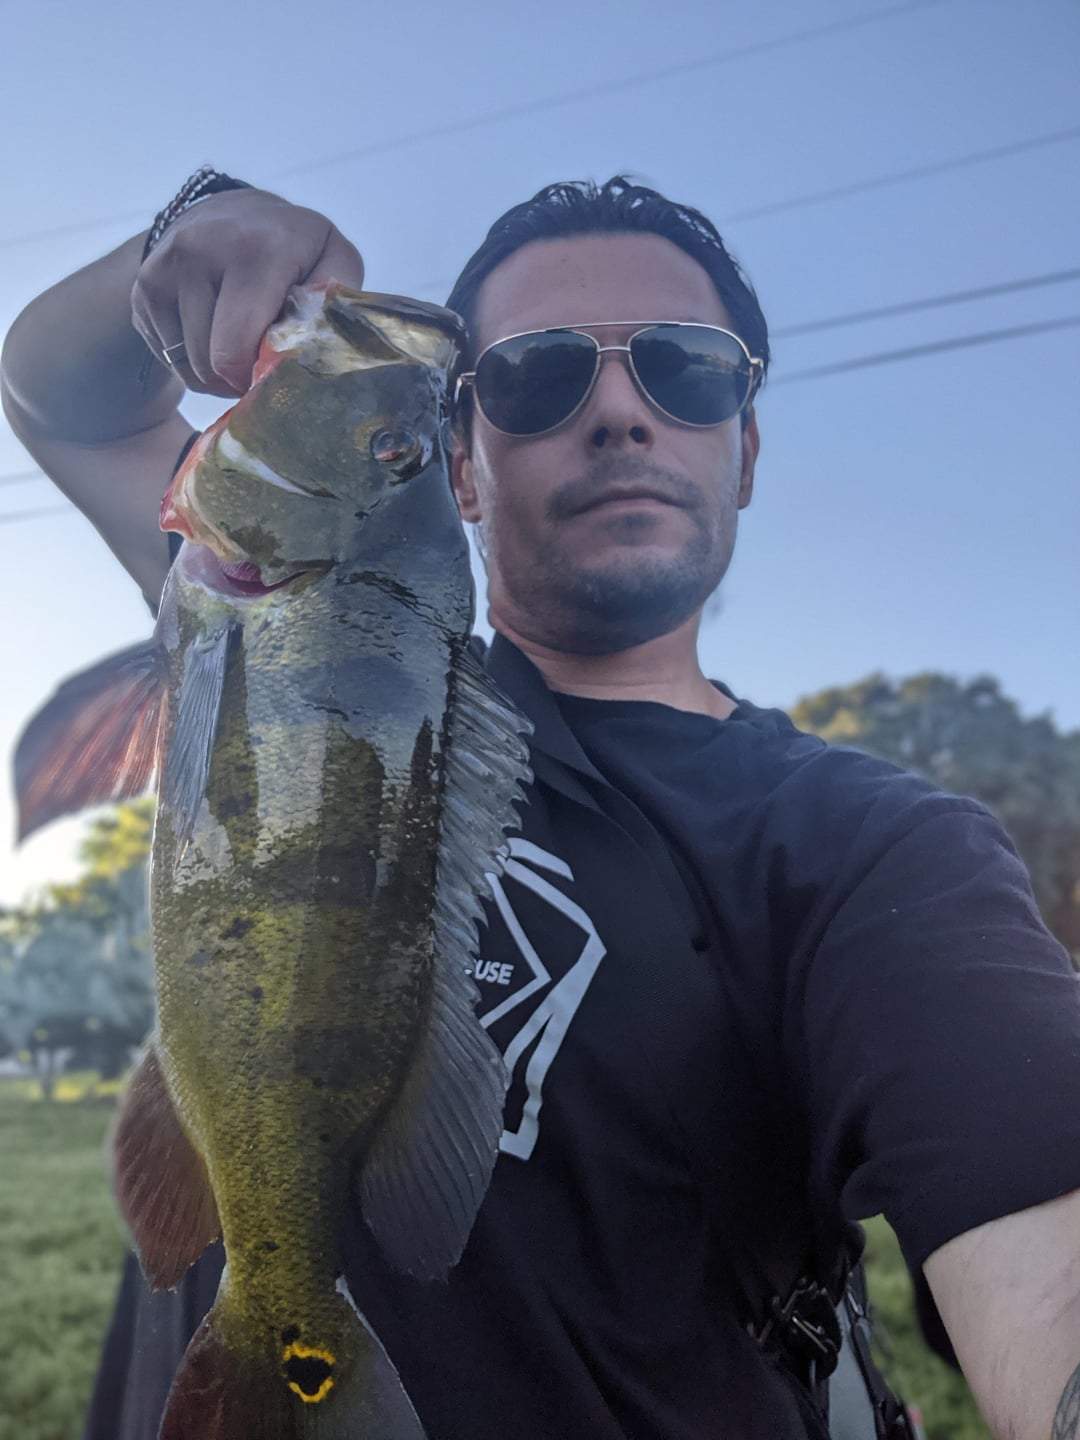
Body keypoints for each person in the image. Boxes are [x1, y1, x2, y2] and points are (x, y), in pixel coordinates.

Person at [4, 172, 1080, 1440]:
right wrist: (186, 232)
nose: (620, 411)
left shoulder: (878, 850)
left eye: (687, 370)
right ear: (459, 467)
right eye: (536, 375)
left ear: (745, 449)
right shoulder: (284, 626)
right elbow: (56, 394)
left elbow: (1047, 1255)